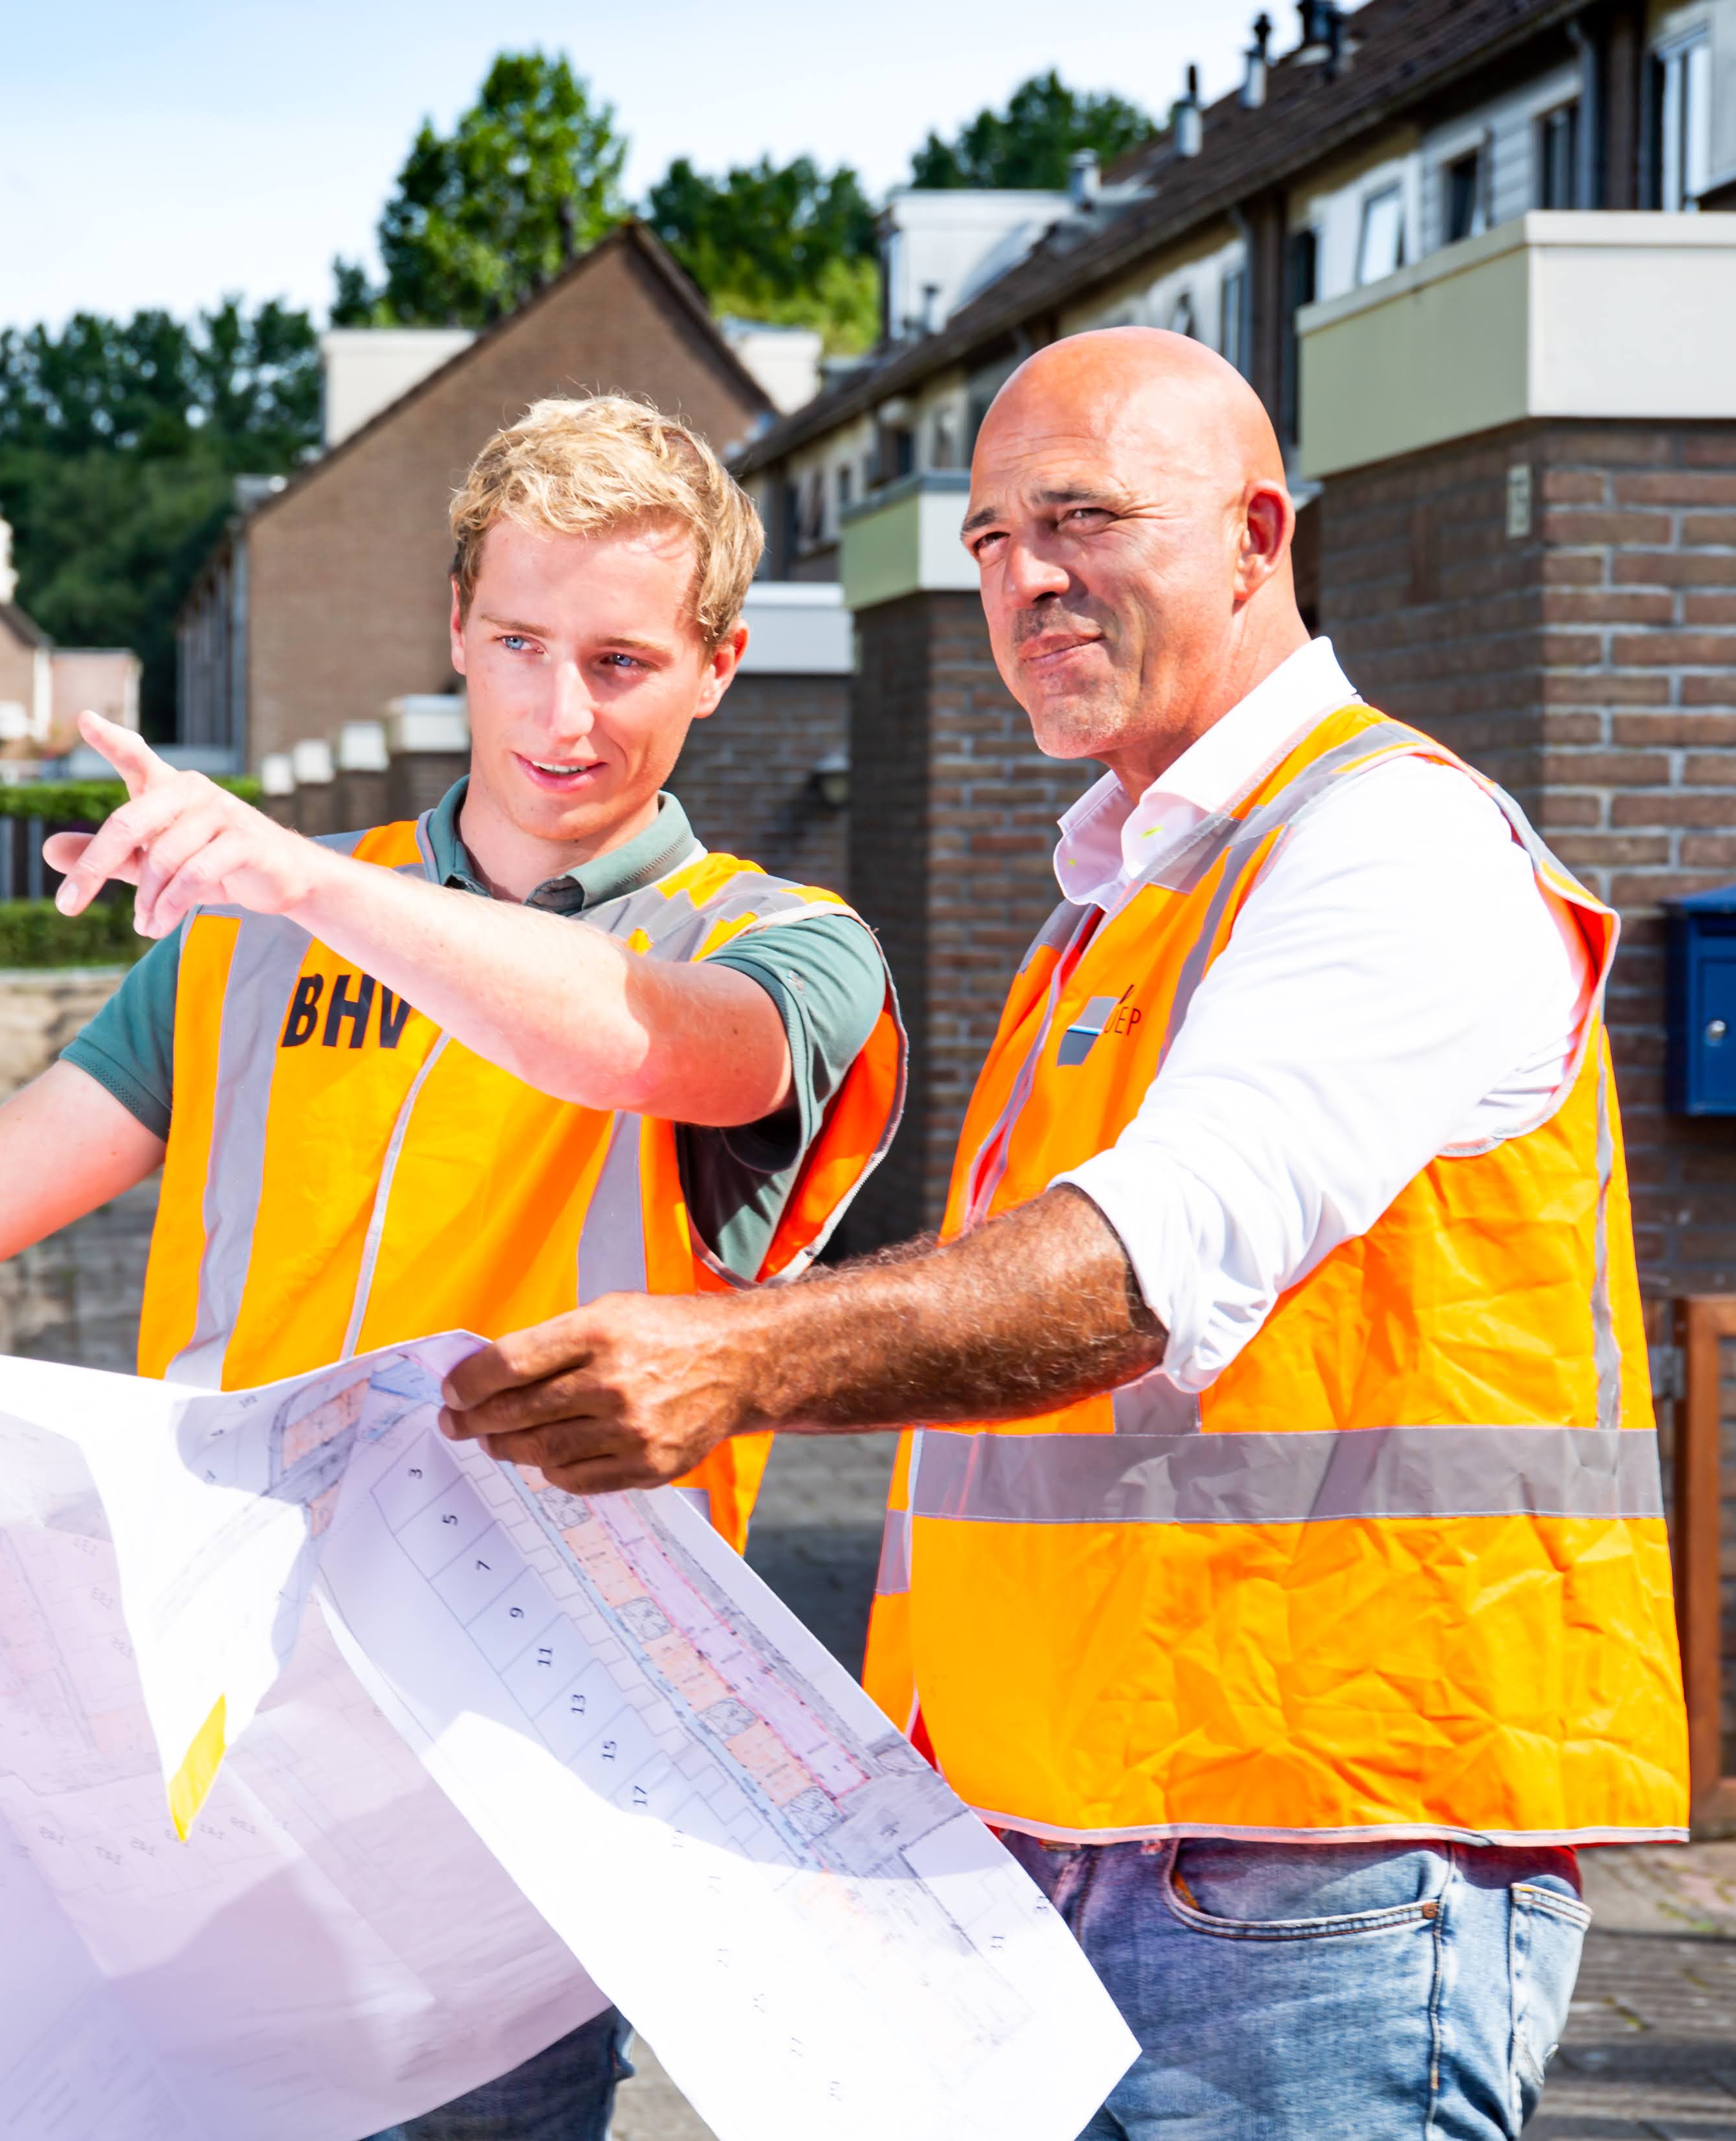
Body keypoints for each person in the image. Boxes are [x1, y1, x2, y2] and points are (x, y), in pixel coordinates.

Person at [436, 329, 1686, 2138]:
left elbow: (1140, 1266)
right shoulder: (1126, 897)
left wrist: (736, 1359)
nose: (1025, 578)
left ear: (1260, 536)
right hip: (1067, 1847)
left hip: (1309, 1860)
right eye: (991, 541)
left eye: (1084, 516)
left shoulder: (1386, 847)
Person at [0, 393, 904, 2138]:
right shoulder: (253, 944)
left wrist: (300, 880)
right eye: (515, 642)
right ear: (454, 626)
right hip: (206, 1747)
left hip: (505, 1806)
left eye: (619, 659)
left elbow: (644, 1045)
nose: (557, 710)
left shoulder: (778, 950)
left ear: (721, 664)